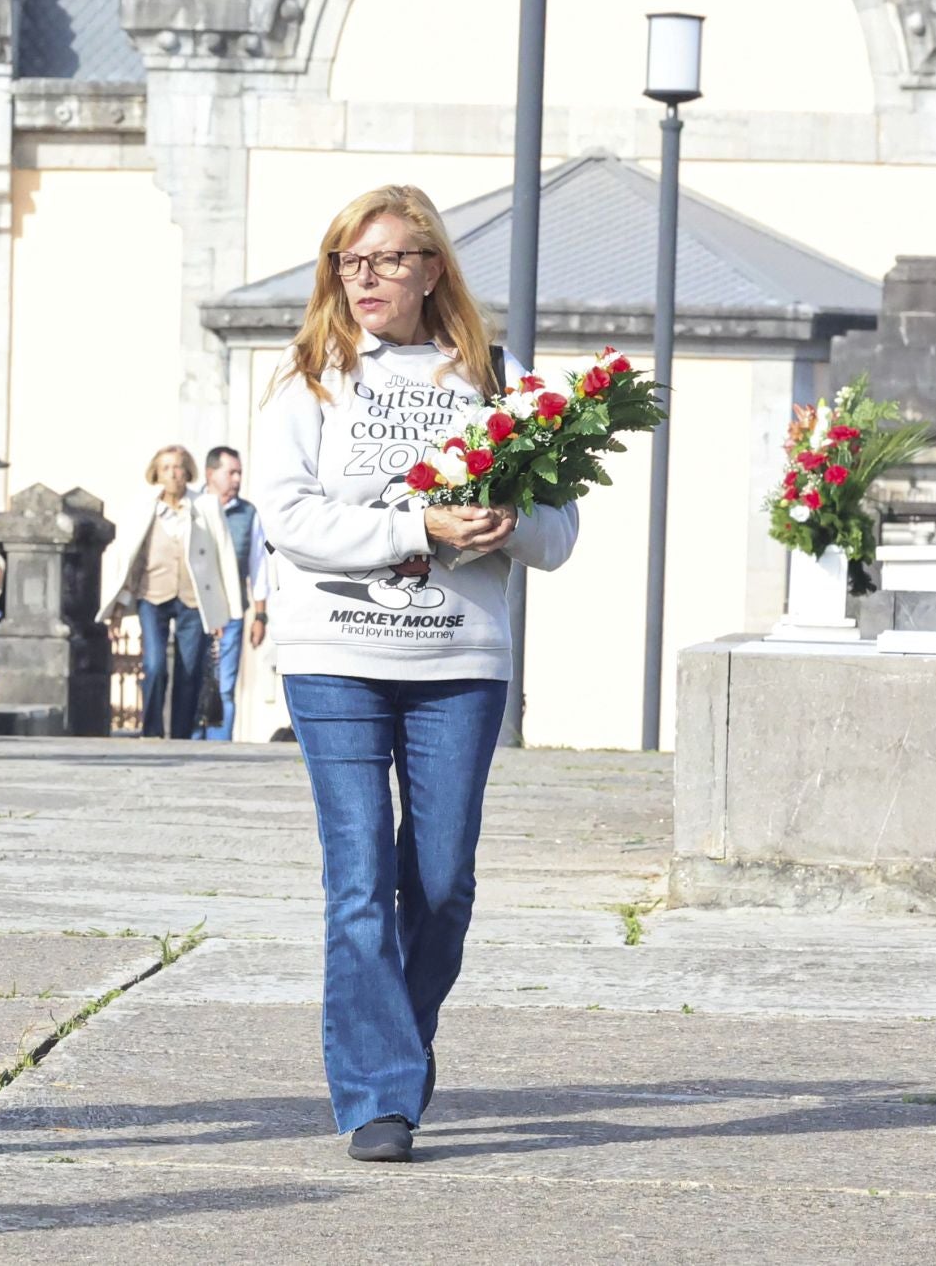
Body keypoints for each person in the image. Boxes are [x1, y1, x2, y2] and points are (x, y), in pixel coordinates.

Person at [259, 185, 578, 1163]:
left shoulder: (498, 377)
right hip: (334, 659)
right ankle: (378, 1094)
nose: (366, 281)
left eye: (389, 260)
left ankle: (399, 1039)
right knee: (357, 878)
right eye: (350, 263)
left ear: (433, 267)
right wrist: (416, 526)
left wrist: (504, 524)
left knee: (439, 885)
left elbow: (559, 534)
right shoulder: (310, 377)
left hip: (459, 663)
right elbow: (289, 518)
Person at [100, 445, 239, 739]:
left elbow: (224, 556)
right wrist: (119, 605)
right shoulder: (143, 508)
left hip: (193, 599)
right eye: (166, 468)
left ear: (188, 471)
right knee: (154, 666)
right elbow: (131, 560)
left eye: (178, 467)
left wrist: (225, 612)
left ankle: (180, 736)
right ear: (156, 474)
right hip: (152, 594)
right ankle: (151, 731)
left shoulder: (206, 506)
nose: (173, 474)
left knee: (189, 672)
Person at [194, 445, 269, 741]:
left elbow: (259, 566)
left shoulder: (247, 513)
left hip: (232, 611)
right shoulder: (193, 507)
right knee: (192, 680)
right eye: (231, 472)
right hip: (196, 610)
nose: (237, 478)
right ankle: (188, 742)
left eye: (239, 472)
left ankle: (219, 746)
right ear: (211, 474)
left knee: (224, 685)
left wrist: (260, 614)